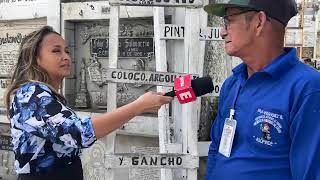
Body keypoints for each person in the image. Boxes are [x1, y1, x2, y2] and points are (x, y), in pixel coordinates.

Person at [5, 26, 173, 180]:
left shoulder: (43, 94)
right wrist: (139, 106)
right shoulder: (29, 96)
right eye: (56, 51)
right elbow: (80, 133)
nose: (66, 57)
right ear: (35, 59)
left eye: (67, 51)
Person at [203, 0, 320, 180]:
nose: (222, 31)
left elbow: (310, 173)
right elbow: (216, 151)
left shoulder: (307, 88)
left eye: (229, 21)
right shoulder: (232, 84)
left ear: (259, 21)